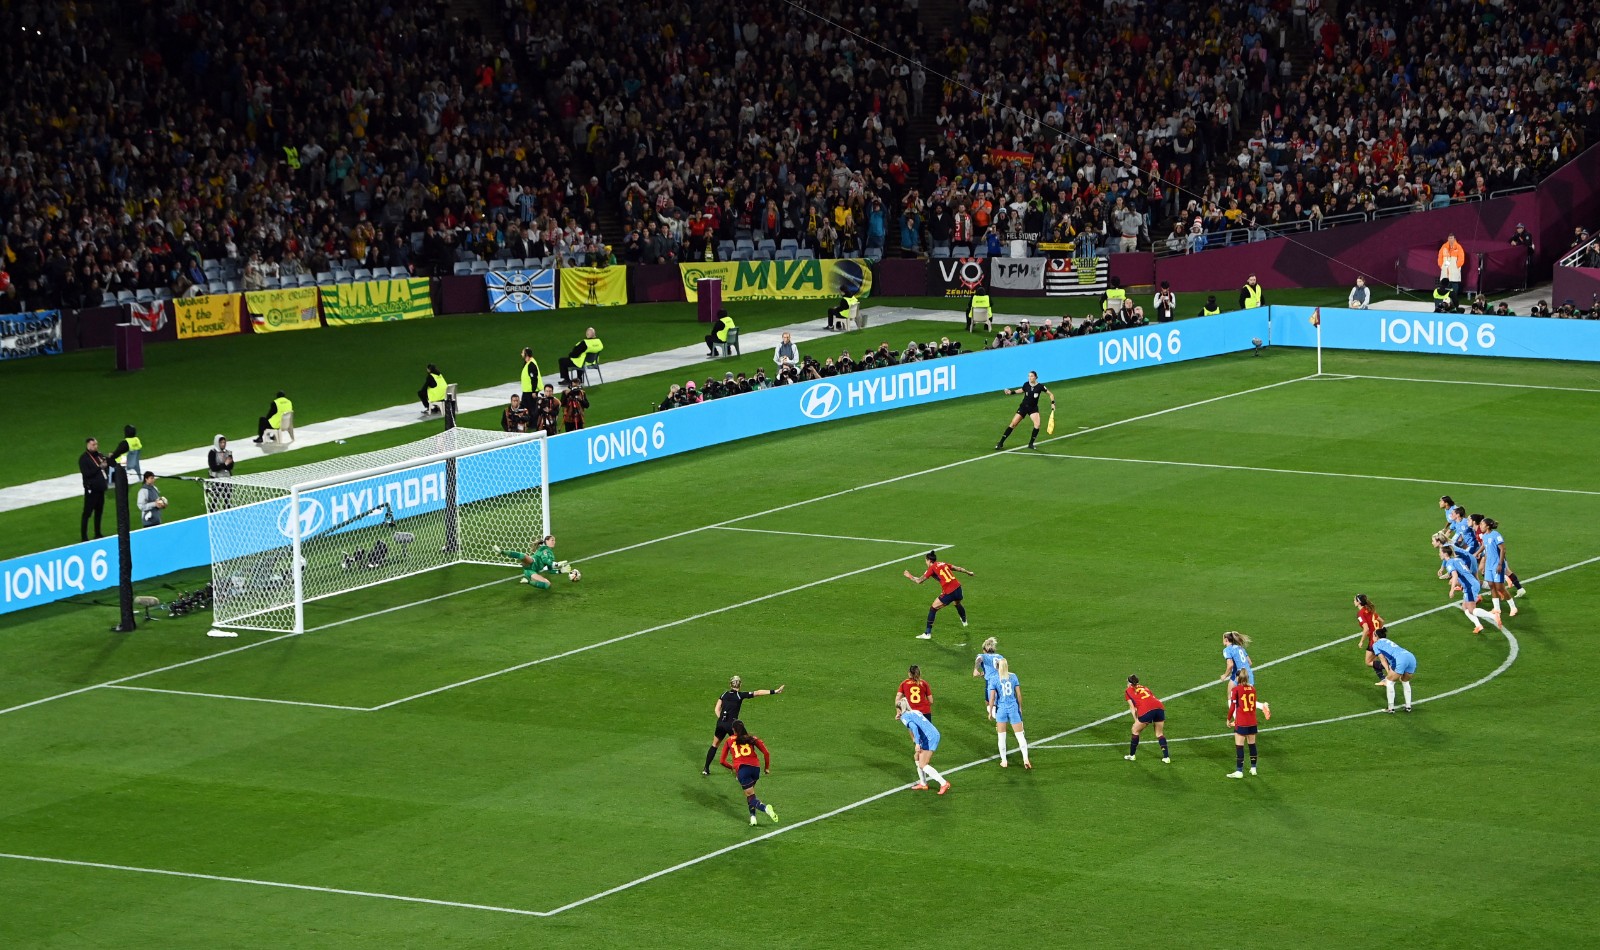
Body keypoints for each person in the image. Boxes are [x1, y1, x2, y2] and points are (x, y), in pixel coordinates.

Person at [703, 675, 785, 775]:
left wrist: (722, 720)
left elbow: (716, 709)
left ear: (730, 684)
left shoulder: (723, 694)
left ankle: (706, 769)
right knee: (742, 745)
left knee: (714, 745)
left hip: (720, 723)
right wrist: (775, 691)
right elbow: (758, 692)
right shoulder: (739, 695)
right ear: (740, 685)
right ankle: (742, 769)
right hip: (733, 726)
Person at [1436, 531, 1502, 634]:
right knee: (1464, 607)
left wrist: (1452, 590)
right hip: (1471, 585)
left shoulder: (1450, 563)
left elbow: (1455, 576)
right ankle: (1478, 625)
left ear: (1445, 554)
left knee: (1471, 610)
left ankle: (1494, 616)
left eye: (1440, 552)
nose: (1439, 554)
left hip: (1470, 586)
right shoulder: (1457, 559)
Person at [718, 720, 778, 825]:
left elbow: (722, 761)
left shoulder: (729, 740)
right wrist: (766, 768)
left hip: (743, 770)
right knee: (750, 794)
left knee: (750, 796)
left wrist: (733, 767)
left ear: (733, 730)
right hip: (755, 769)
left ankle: (766, 809)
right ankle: (753, 818)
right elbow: (766, 753)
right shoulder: (751, 738)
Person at [904, 549, 973, 640]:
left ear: (929, 560)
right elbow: (958, 568)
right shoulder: (942, 563)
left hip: (949, 592)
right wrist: (968, 572)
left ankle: (927, 633)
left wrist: (909, 576)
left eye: (925, 560)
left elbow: (919, 581)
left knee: (933, 608)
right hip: (958, 588)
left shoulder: (931, 568)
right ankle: (964, 621)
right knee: (957, 603)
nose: (925, 562)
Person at [896, 695, 951, 794]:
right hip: (931, 733)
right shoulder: (915, 711)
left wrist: (917, 743)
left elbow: (914, 728)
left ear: (900, 709)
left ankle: (943, 783)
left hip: (929, 738)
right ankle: (923, 783)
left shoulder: (905, 717)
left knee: (923, 764)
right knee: (917, 757)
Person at [994, 370, 1055, 451]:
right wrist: (1011, 392)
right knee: (1013, 424)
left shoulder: (1040, 386)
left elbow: (1051, 394)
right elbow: (1021, 390)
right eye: (1029, 376)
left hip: (1033, 408)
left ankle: (1031, 444)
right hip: (1023, 407)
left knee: (1037, 425)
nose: (1029, 378)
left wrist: (1052, 403)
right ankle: (1001, 443)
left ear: (1036, 377)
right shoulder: (1026, 384)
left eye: (1031, 376)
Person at [988, 658, 1032, 769]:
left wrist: (990, 712)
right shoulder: (1013, 677)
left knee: (1001, 737)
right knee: (1020, 735)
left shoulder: (994, 679)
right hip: (1013, 709)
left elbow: (992, 698)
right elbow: (1019, 694)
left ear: (997, 667)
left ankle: (1004, 761)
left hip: (1001, 710)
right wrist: (1020, 707)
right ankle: (1025, 759)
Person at [491, 534, 572, 590]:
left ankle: (528, 581)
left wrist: (560, 571)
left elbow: (550, 570)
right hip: (531, 563)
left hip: (531, 572)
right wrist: (557, 564)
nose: (554, 542)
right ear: (546, 541)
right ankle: (501, 551)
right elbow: (544, 560)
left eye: (554, 540)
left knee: (548, 585)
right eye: (552, 540)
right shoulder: (543, 549)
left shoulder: (551, 555)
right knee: (524, 556)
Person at [896, 665, 934, 782]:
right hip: (925, 714)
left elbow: (898, 699)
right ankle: (923, 761)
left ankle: (922, 762)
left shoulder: (904, 683)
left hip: (911, 714)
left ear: (909, 673)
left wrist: (898, 712)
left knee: (916, 740)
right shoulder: (924, 683)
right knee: (924, 738)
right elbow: (931, 701)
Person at [1123, 674, 1170, 763]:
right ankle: (1166, 757)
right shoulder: (1145, 688)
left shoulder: (1128, 691)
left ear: (1129, 683)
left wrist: (1136, 720)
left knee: (1135, 730)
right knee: (1159, 733)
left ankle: (1132, 755)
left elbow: (1133, 708)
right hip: (1159, 707)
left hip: (1146, 710)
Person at [1225, 669, 1263, 778]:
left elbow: (1232, 707)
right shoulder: (1253, 689)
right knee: (1252, 744)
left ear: (1238, 678)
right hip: (1252, 721)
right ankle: (1253, 768)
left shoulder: (1236, 690)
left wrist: (1228, 719)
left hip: (1241, 721)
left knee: (1239, 746)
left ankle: (1239, 771)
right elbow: (1253, 705)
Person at [1479, 517, 1519, 619]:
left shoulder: (1496, 535)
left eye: (1482, 524)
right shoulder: (1485, 536)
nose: (1480, 526)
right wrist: (1478, 555)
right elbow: (1485, 547)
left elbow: (1503, 549)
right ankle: (1497, 608)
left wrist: (1500, 564)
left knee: (1500, 587)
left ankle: (1513, 607)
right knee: (1491, 585)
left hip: (1496, 564)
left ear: (1487, 526)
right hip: (1489, 565)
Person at [1371, 631, 1418, 713]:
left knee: (1389, 682)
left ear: (1376, 636)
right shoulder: (1388, 640)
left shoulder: (1375, 645)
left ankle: (1391, 708)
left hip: (1400, 659)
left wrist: (1388, 672)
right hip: (1410, 657)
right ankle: (1408, 707)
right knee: (1405, 681)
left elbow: (1383, 660)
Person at [78, 436, 108, 542]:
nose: (96, 446)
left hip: (100, 488)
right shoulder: (84, 459)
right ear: (88, 445)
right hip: (91, 489)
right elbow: (87, 473)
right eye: (93, 444)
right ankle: (84, 536)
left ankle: (98, 533)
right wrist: (99, 467)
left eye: (96, 444)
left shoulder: (99, 455)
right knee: (87, 513)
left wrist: (107, 461)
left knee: (99, 512)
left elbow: (105, 466)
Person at [1354, 594, 1388, 684]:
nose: (1353, 602)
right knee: (1373, 660)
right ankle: (1383, 679)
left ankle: (1390, 666)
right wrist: (1379, 631)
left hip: (1374, 640)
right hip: (1380, 638)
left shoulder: (1361, 613)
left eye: (1354, 600)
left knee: (1368, 662)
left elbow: (1366, 629)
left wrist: (1361, 641)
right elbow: (1381, 621)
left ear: (1358, 602)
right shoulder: (1369, 609)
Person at [1220, 631, 1254, 702]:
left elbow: (1230, 665)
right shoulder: (1240, 648)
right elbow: (1250, 663)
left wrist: (1225, 675)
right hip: (1248, 675)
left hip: (1238, 675)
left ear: (1226, 640)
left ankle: (1233, 709)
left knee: (1231, 697)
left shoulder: (1227, 650)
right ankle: (1263, 706)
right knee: (1247, 701)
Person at [973, 636, 1006, 710]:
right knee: (999, 703)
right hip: (1001, 682)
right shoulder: (1000, 656)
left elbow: (979, 659)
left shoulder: (983, 656)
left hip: (991, 683)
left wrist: (975, 669)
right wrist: (986, 673)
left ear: (984, 650)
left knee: (989, 704)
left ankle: (995, 715)